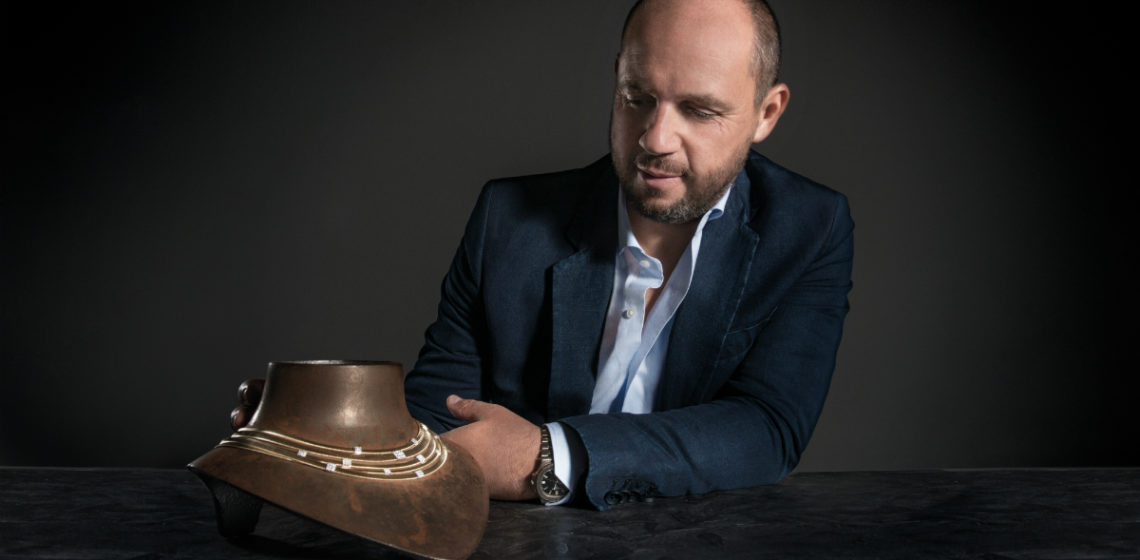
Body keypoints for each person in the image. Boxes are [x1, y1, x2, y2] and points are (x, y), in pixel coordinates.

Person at [234, 0, 853, 510]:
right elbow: (440, 415)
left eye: (698, 110)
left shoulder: (811, 228)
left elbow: (768, 428)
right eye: (636, 96)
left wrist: (551, 456)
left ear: (766, 113)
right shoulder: (507, 219)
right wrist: (331, 438)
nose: (656, 138)